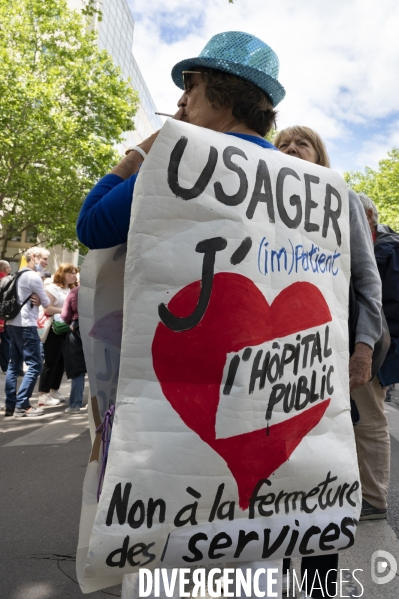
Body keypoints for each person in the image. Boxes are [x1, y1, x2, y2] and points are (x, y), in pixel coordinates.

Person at [77, 35, 381, 599]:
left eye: (190, 85)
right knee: (254, 554)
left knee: (174, 558)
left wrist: (143, 150)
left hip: (176, 408)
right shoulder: (325, 190)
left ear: (222, 92)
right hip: (278, 396)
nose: (183, 100)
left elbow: (92, 226)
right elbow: (358, 281)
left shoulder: (176, 161)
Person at [274, 126, 382, 597]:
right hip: (268, 362)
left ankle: (317, 587)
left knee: (321, 478)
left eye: (302, 144)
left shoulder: (344, 198)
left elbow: (367, 278)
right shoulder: (254, 201)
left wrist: (363, 349)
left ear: (320, 154)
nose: (291, 150)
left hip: (328, 360)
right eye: (282, 144)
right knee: (270, 479)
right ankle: (271, 578)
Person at [353, 192, 398, 519]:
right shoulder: (383, 247)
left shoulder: (383, 250)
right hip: (375, 344)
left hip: (375, 346)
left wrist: (368, 349)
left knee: (369, 420)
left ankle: (374, 498)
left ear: (367, 217)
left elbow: (378, 301)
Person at [4, 249, 49, 417]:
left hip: (12, 323)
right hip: (26, 325)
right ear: (33, 257)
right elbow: (45, 302)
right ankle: (22, 404)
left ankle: (10, 405)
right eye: (44, 259)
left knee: (13, 365)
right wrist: (39, 298)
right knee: (35, 364)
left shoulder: (18, 274)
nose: (46, 262)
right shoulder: (33, 276)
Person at [37, 263, 78, 406]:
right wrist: (65, 311)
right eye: (71, 273)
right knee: (50, 361)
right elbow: (47, 308)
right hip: (55, 328)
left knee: (62, 361)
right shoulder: (53, 288)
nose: (74, 275)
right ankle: (43, 394)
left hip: (67, 329)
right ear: (63, 273)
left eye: (75, 273)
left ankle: (54, 389)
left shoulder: (72, 289)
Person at [61, 285, 87, 414]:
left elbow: (65, 315)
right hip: (100, 328)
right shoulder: (104, 288)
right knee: (99, 367)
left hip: (77, 328)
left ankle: (75, 404)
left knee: (77, 369)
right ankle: (98, 402)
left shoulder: (75, 292)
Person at [0, 260, 11, 374]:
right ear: (5, 269)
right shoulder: (7, 281)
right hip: (3, 317)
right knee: (5, 342)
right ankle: (5, 366)